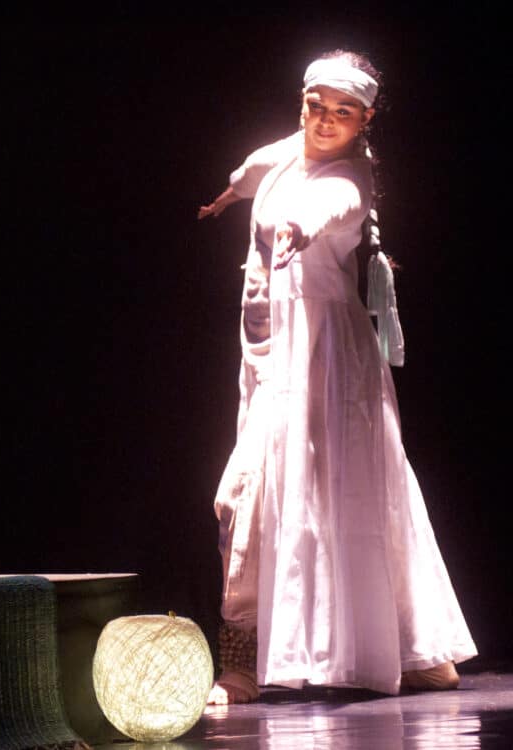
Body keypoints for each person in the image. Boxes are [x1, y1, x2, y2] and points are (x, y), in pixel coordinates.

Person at [197, 50, 476, 703]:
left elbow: (325, 211)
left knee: (258, 491)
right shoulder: (294, 147)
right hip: (274, 353)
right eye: (314, 106)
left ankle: (245, 665)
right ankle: (413, 652)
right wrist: (224, 197)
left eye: (341, 111)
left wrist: (292, 232)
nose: (324, 120)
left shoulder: (352, 180)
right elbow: (257, 167)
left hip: (322, 360)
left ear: (365, 118)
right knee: (284, 492)